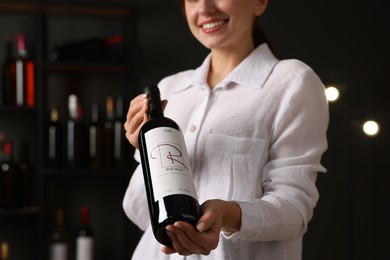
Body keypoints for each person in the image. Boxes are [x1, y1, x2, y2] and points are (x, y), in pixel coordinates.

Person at [122, 0, 329, 259]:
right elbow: (140, 213)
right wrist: (146, 151)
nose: (205, 8)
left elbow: (294, 210)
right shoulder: (170, 89)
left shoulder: (292, 81)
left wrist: (228, 214)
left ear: (259, 3)